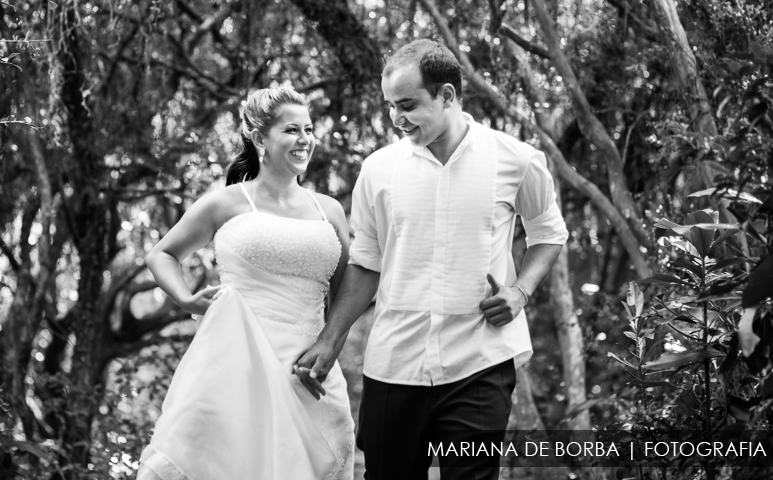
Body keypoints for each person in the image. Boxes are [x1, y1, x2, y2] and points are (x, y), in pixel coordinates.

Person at [295, 39, 568, 480]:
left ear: (446, 95)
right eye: (390, 106)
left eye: (407, 105)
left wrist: (521, 291)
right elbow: (366, 261)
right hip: (394, 362)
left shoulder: (516, 160)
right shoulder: (378, 170)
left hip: (480, 361)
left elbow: (548, 232)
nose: (396, 119)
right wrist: (331, 339)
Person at [137, 87, 355, 480]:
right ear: (259, 138)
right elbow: (161, 254)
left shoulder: (330, 210)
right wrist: (187, 299)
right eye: (292, 130)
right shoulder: (226, 203)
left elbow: (344, 295)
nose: (305, 139)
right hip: (236, 366)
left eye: (309, 129)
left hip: (308, 370)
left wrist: (329, 344)